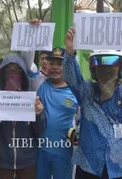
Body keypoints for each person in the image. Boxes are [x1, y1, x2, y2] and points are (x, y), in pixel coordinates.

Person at [63, 26, 122, 179]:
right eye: (101, 68)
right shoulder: (85, 92)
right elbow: (71, 77)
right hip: (89, 166)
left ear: (121, 70)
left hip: (119, 167)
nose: (106, 72)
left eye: (111, 69)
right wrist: (70, 52)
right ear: (93, 71)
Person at [0, 53, 46, 179]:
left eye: (16, 71)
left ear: (23, 74)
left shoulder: (33, 99)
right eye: (8, 71)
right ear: (2, 75)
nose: (13, 75)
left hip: (27, 161)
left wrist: (38, 115)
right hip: (2, 162)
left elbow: (40, 132)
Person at [36, 47, 78, 179]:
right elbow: (27, 62)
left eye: (60, 64)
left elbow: (84, 119)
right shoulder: (40, 83)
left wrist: (78, 134)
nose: (55, 67)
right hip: (40, 150)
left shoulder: (76, 91)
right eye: (52, 63)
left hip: (64, 152)